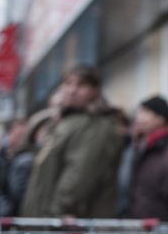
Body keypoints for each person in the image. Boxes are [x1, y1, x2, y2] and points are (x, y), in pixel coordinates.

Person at [20, 65, 123, 218]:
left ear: (95, 91)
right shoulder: (67, 121)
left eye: (81, 85)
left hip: (64, 223)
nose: (72, 90)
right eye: (68, 83)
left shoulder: (94, 125)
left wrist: (56, 213)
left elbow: (78, 176)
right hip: (45, 218)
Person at [128, 96, 168, 220]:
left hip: (162, 224)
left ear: (161, 118)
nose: (139, 118)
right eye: (139, 113)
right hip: (142, 222)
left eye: (146, 113)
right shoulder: (141, 147)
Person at [0, 118, 28, 216]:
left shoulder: (27, 159)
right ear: (9, 133)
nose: (21, 140)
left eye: (24, 136)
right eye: (19, 135)